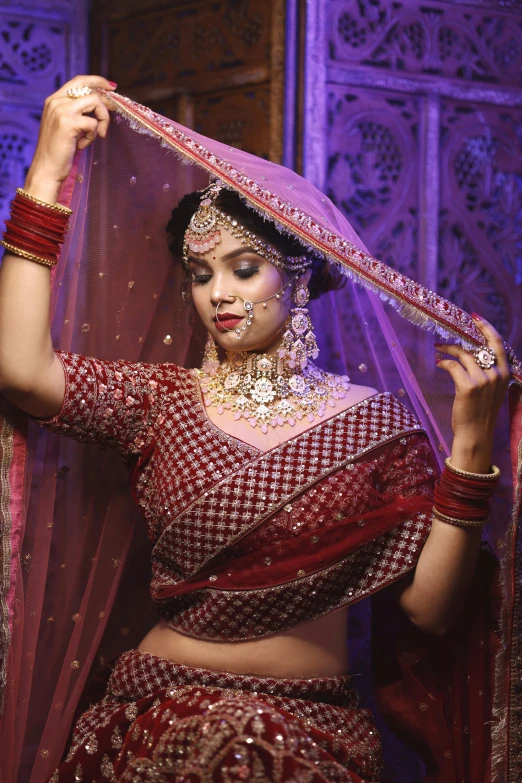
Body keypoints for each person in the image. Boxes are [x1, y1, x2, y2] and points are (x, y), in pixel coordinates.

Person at [0, 75, 517, 783]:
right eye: (201, 273)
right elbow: (22, 371)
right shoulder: (161, 400)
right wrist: (47, 169)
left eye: (244, 269)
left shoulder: (377, 425)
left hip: (306, 734)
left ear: (298, 278)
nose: (219, 294)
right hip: (156, 720)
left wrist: (471, 451)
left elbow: (429, 611)